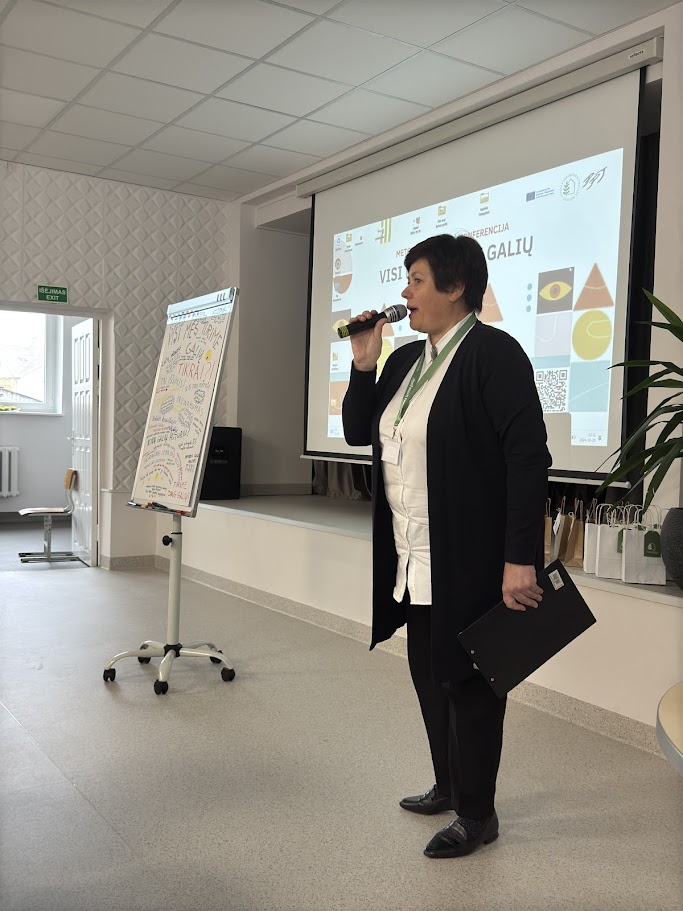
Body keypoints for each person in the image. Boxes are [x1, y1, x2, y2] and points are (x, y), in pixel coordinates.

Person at [342, 233, 551, 859]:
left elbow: (527, 460)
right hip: (413, 554)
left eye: (417, 280)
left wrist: (520, 558)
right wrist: (363, 363)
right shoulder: (406, 360)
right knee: (430, 675)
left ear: (456, 288)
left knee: (471, 685)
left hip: (471, 558)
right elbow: (356, 431)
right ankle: (449, 784)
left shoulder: (495, 354)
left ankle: (478, 814)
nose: (405, 293)